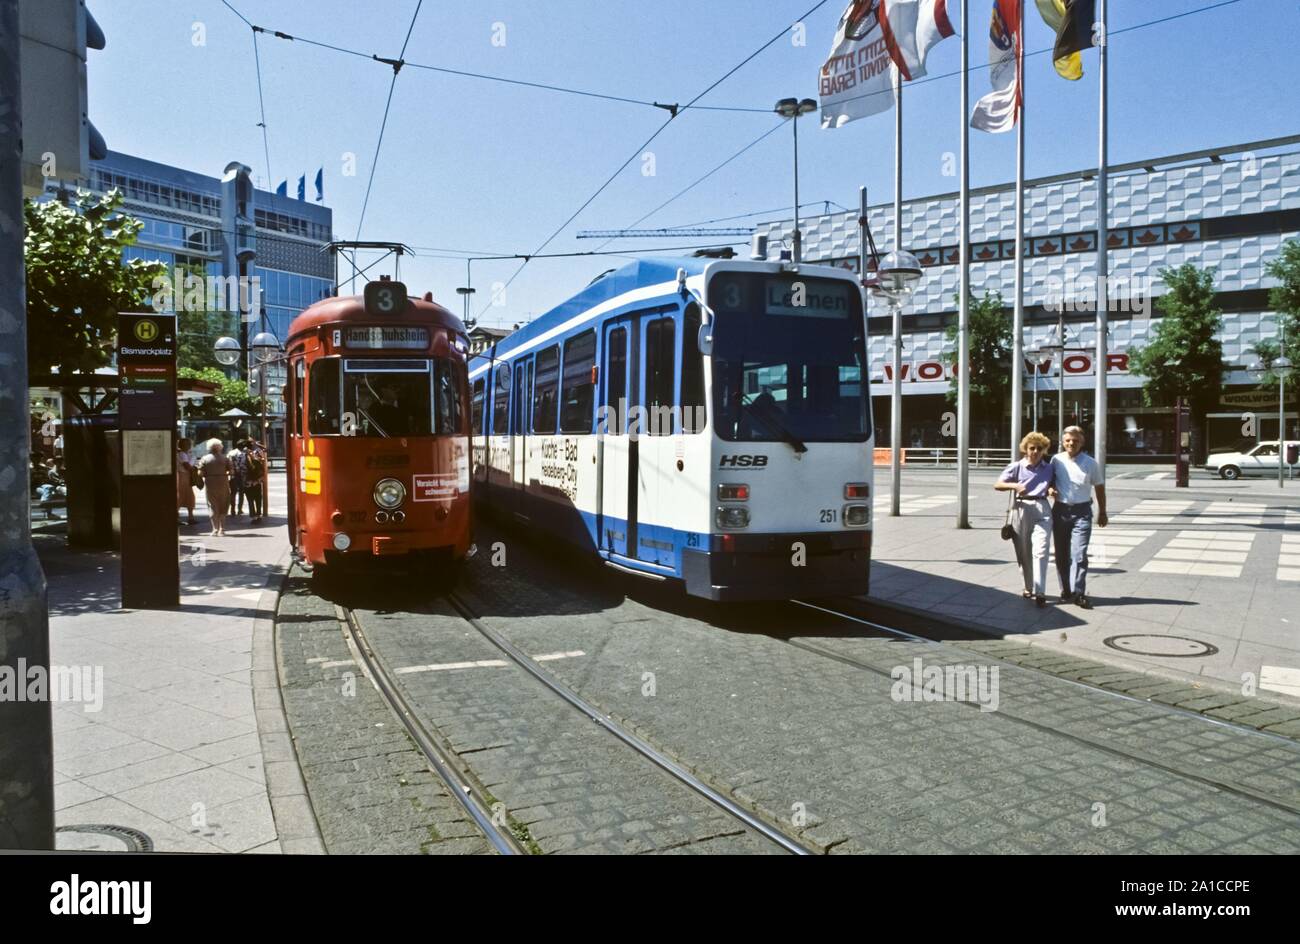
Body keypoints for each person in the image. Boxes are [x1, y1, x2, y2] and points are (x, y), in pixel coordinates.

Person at [1049, 425, 1108, 609]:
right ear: (1063, 442)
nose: (1071, 443)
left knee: (1079, 553)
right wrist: (1050, 489)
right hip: (1060, 511)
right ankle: (1065, 590)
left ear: (1082, 442)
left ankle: (1078, 592)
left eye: (1075, 441)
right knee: (1061, 554)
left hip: (1082, 512)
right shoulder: (1056, 460)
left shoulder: (1091, 463)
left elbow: (1099, 488)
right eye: (1067, 440)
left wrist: (1103, 511)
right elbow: (1049, 481)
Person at [995, 431, 1055, 607]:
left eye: (1039, 448)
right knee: (1024, 552)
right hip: (1021, 508)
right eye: (1032, 448)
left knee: (1041, 549)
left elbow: (1052, 483)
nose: (1035, 451)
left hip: (1042, 508)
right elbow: (998, 484)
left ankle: (1041, 591)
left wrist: (1051, 490)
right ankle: (1028, 586)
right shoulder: (1016, 467)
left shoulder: (1049, 467)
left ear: (1044, 450)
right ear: (1025, 449)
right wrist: (1014, 485)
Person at [197, 438, 233, 536]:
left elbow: (200, 473)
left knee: (212, 505)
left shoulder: (204, 458)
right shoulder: (225, 458)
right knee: (223, 504)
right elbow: (232, 471)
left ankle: (214, 529)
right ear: (220, 447)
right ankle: (222, 529)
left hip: (210, 482)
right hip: (223, 482)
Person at [244, 441, 266, 521]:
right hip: (255, 483)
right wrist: (257, 481)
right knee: (257, 499)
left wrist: (247, 481)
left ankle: (254, 516)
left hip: (248, 483)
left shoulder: (242, 460)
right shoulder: (257, 461)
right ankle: (258, 514)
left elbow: (241, 472)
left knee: (251, 500)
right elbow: (262, 473)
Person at [177, 437, 197, 525]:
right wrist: (193, 463)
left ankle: (190, 517)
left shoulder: (184, 454)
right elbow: (187, 466)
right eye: (188, 444)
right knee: (182, 496)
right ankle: (189, 517)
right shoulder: (182, 454)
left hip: (184, 476)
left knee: (187, 496)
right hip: (183, 476)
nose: (189, 446)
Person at [227, 439, 246, 516]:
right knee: (241, 493)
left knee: (233, 493)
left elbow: (228, 463)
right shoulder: (244, 454)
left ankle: (232, 510)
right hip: (242, 475)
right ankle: (240, 509)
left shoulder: (231, 453)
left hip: (233, 475)